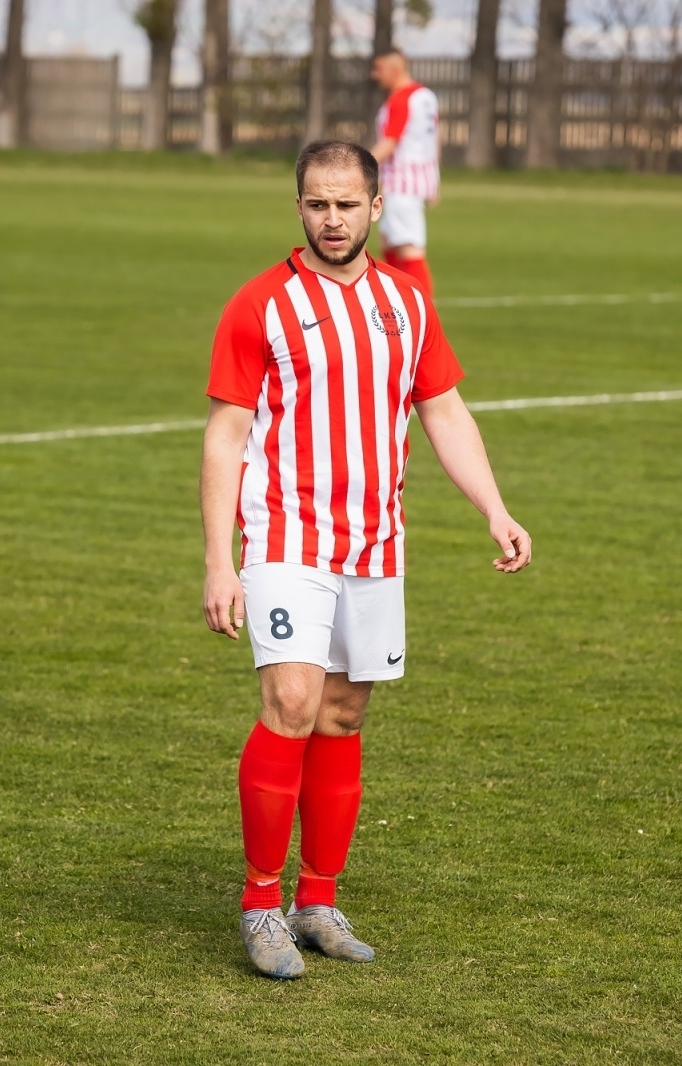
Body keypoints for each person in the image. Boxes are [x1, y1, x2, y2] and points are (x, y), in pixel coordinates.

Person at [200, 139, 532, 980]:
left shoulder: (406, 303)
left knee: (343, 716)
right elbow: (226, 436)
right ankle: (260, 904)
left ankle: (317, 902)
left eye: (347, 204)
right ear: (299, 208)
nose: (333, 218)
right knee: (292, 700)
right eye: (317, 204)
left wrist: (495, 509)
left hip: (375, 542)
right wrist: (217, 560)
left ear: (376, 207)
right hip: (285, 538)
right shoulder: (260, 305)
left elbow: (444, 411)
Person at [369, 49, 440, 298]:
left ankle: (422, 310)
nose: (375, 75)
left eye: (379, 69)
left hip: (402, 183)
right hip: (418, 179)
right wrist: (435, 180)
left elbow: (390, 142)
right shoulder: (426, 96)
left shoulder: (402, 99)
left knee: (409, 248)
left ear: (395, 69)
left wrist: (356, 166)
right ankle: (399, 302)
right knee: (389, 242)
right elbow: (434, 139)